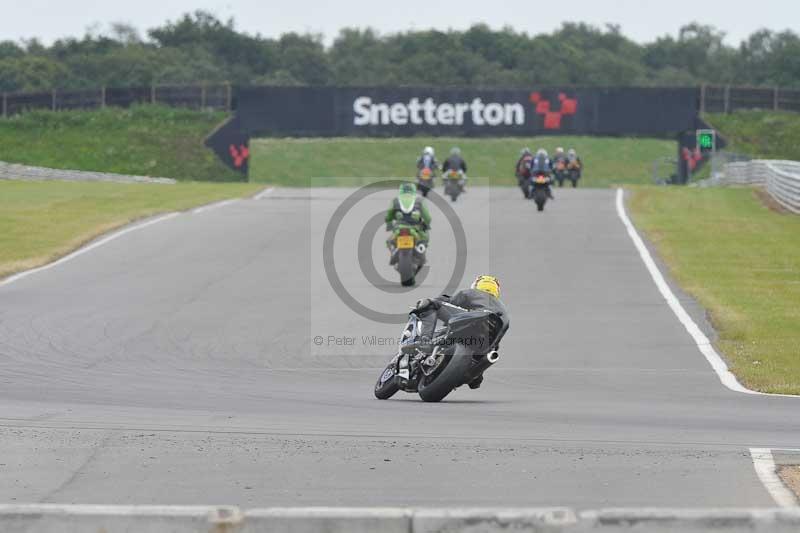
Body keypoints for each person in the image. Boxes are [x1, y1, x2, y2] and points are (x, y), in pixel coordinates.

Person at [413, 275, 508, 389]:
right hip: (485, 342)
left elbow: (450, 302)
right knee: (488, 352)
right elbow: (496, 343)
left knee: (430, 303)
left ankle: (425, 341)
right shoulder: (503, 310)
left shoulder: (472, 293)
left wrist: (437, 301)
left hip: (470, 323)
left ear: (477, 285)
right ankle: (475, 375)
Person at [385, 182, 432, 246]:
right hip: (416, 227)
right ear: (414, 190)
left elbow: (388, 216)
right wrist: (426, 225)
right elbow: (428, 218)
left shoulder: (395, 200)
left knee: (389, 242)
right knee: (424, 239)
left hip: (399, 226)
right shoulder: (420, 200)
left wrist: (389, 224)